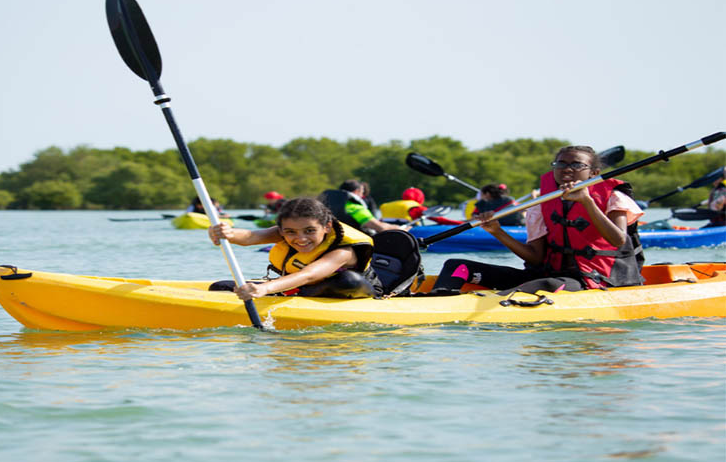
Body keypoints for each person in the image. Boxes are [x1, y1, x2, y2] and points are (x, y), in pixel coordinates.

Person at [430, 145, 645, 295]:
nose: (567, 169)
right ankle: (436, 301)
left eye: (577, 165)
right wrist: (497, 231)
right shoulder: (542, 203)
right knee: (456, 265)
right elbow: (535, 258)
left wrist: (587, 202)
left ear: (594, 172)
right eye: (560, 164)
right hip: (548, 273)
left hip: (595, 280)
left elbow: (618, 240)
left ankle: (494, 304)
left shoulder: (615, 197)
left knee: (546, 284)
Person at [207, 197, 383, 299]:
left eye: (310, 231)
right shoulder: (283, 232)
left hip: (348, 290)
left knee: (348, 281)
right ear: (282, 229)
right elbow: (251, 237)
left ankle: (287, 294)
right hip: (304, 289)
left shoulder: (344, 250)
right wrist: (227, 233)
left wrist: (265, 288)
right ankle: (290, 294)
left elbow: (308, 275)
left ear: (327, 227)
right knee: (220, 287)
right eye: (291, 232)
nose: (301, 238)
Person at [318, 180, 404, 234]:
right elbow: (381, 227)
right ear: (356, 192)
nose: (362, 196)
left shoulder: (323, 205)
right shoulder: (354, 207)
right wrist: (399, 228)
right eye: (362, 192)